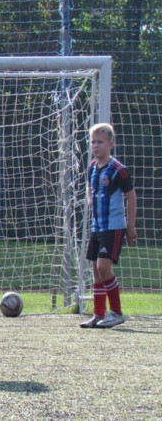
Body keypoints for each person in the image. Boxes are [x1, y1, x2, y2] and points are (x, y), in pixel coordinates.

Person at [80, 123, 137, 329]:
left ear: (111, 144)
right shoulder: (92, 168)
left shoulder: (117, 169)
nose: (95, 145)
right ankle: (98, 314)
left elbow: (131, 196)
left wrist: (130, 226)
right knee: (96, 271)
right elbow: (90, 188)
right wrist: (91, 200)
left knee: (104, 267)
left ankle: (117, 313)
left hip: (113, 227)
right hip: (97, 227)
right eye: (93, 142)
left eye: (100, 142)